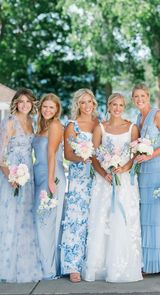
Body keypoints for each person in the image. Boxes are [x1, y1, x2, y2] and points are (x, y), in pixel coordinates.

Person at [84, 93, 143, 282]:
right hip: (104, 181)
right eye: (114, 105)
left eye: (121, 105)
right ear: (108, 106)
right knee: (102, 220)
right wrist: (105, 173)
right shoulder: (100, 128)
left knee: (124, 220)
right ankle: (100, 266)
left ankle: (123, 267)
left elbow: (135, 155)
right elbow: (93, 155)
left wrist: (125, 167)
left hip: (125, 180)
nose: (117, 108)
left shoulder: (132, 128)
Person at [132, 83, 160, 274]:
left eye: (143, 96)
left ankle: (157, 263)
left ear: (148, 96)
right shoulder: (138, 118)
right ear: (132, 99)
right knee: (146, 215)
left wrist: (151, 155)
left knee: (157, 215)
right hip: (144, 171)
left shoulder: (157, 114)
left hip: (159, 168)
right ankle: (147, 260)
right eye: (136, 97)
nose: (139, 99)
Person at [0, 88, 42, 282]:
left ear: (32, 104)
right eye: (21, 101)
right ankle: (7, 266)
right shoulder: (9, 122)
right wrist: (11, 178)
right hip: (12, 176)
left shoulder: (31, 122)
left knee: (25, 218)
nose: (24, 105)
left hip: (29, 176)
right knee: (10, 218)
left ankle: (24, 263)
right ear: (15, 103)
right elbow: (0, 156)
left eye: (28, 102)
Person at [60, 89, 98, 283]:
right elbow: (68, 154)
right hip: (79, 179)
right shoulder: (71, 126)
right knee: (76, 219)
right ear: (78, 105)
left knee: (95, 220)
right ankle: (72, 265)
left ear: (94, 103)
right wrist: (84, 158)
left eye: (90, 101)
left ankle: (91, 263)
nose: (87, 105)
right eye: (83, 102)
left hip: (98, 178)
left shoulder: (100, 124)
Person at [33, 93, 66, 279]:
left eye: (51, 108)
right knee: (42, 221)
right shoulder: (40, 126)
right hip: (39, 175)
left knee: (47, 222)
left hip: (51, 176)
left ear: (57, 110)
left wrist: (51, 180)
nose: (47, 110)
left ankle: (50, 269)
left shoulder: (55, 125)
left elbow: (52, 154)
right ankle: (42, 265)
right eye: (45, 107)